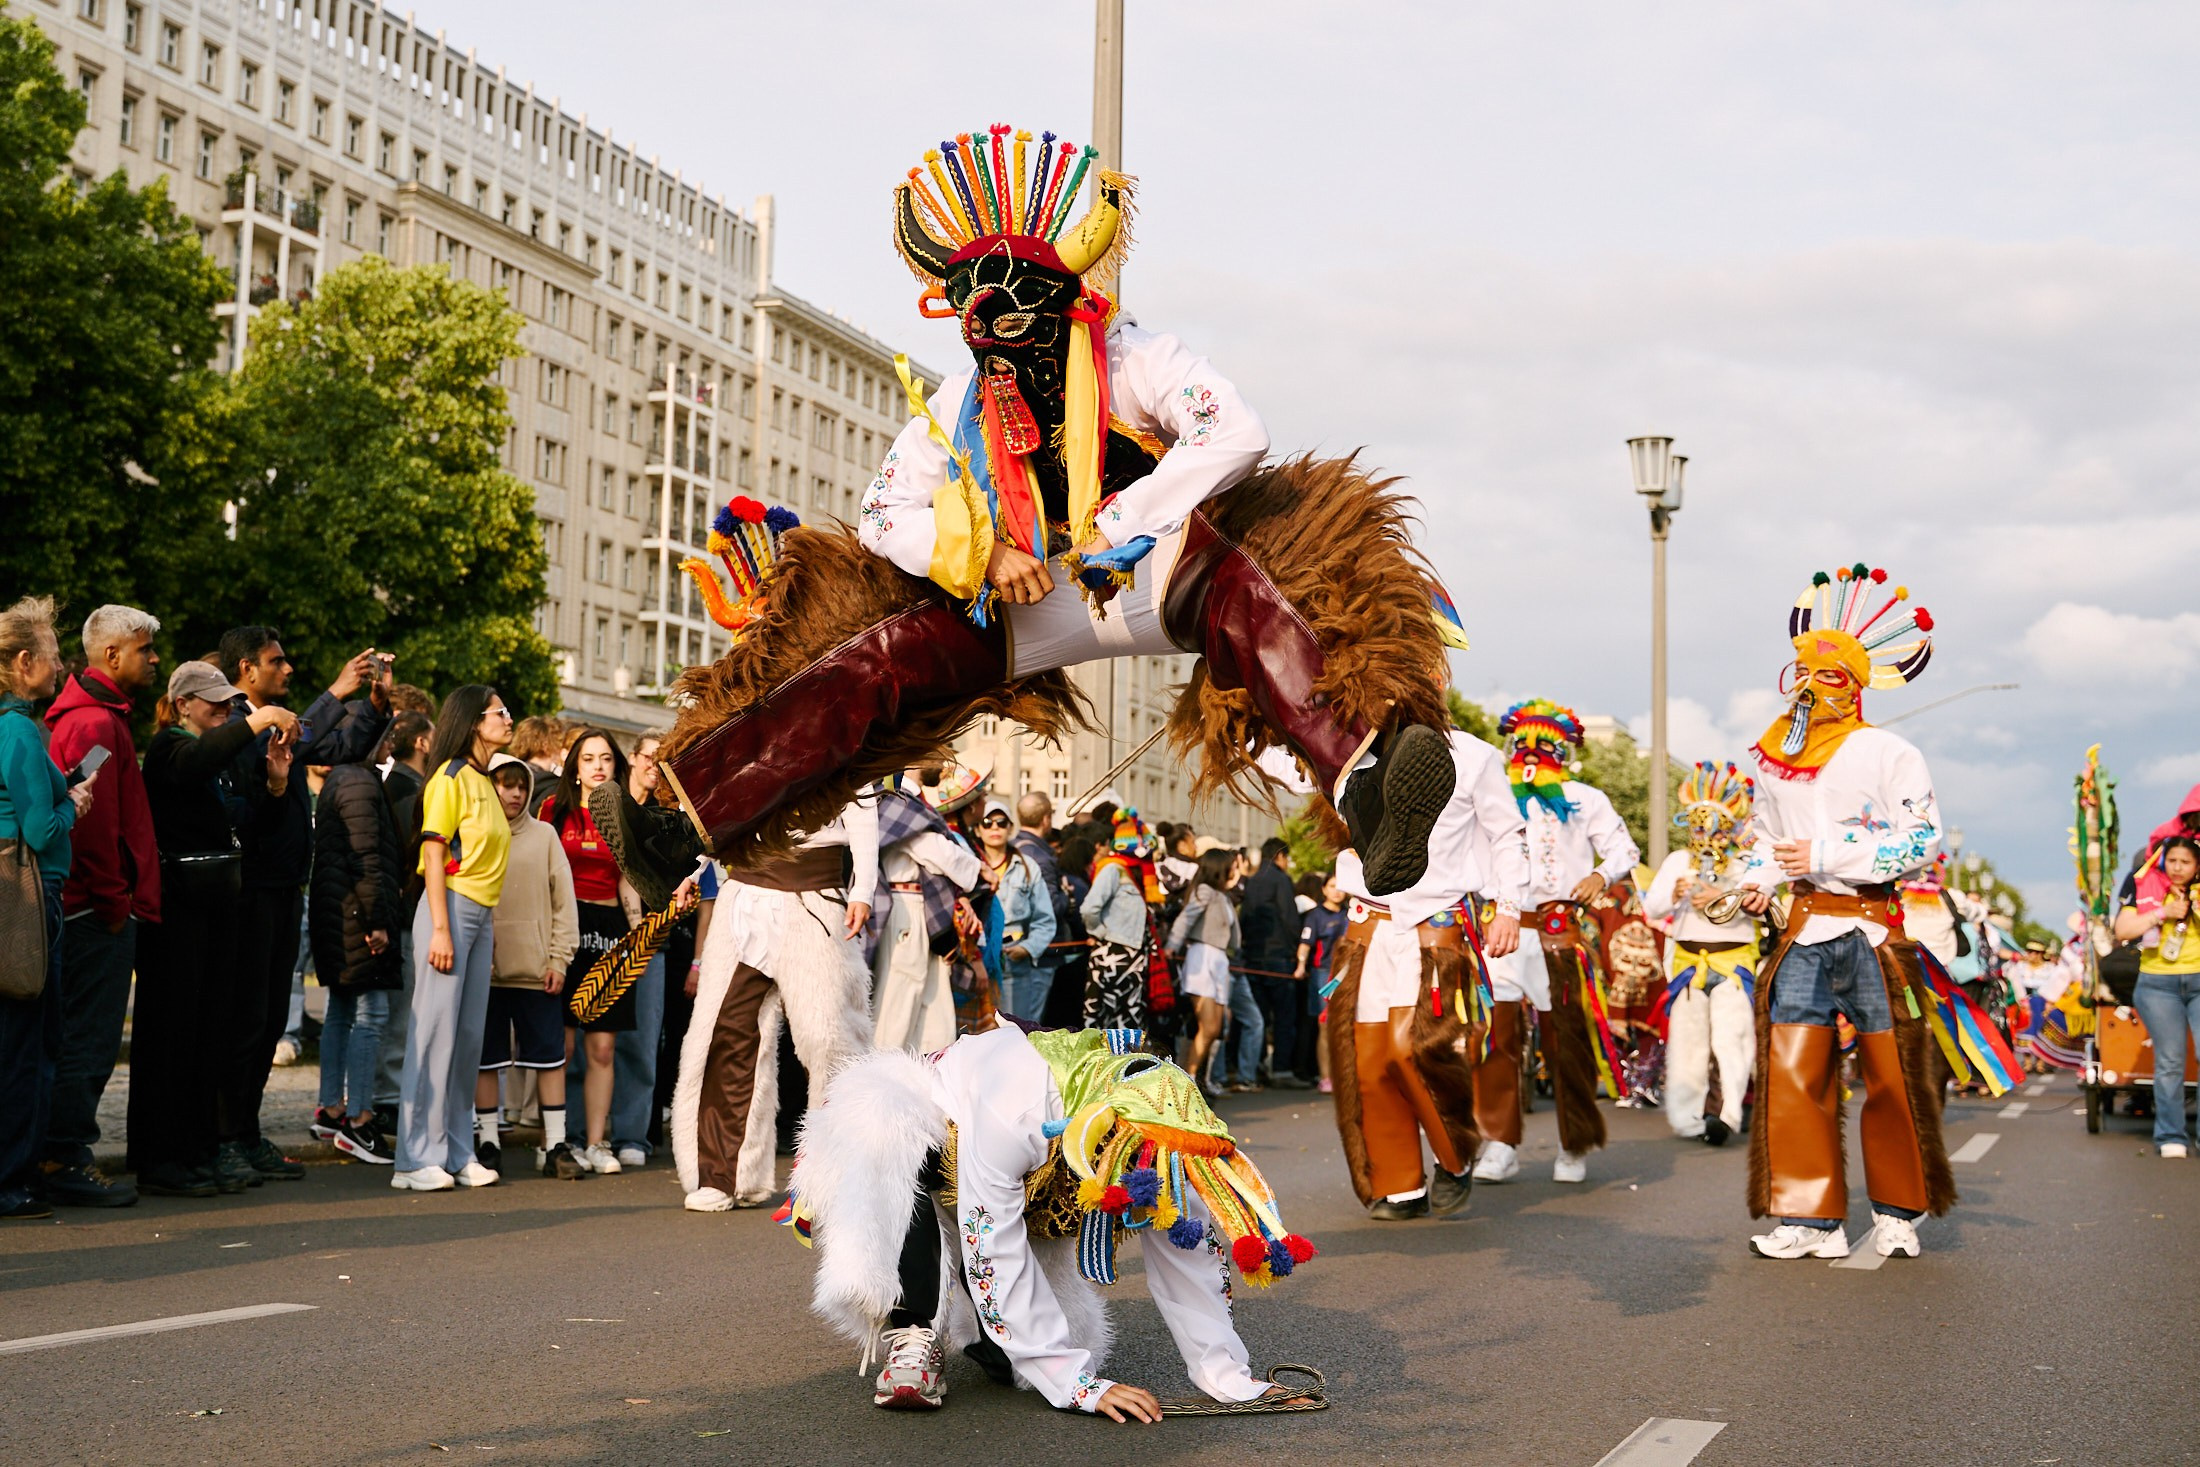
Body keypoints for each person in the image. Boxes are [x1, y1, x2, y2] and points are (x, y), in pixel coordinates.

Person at [656, 125, 1461, 923]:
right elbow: (879, 513)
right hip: (1023, 610)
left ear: (1069, 307)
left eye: (1021, 331)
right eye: (983, 338)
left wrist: (1126, 517)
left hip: (1169, 571)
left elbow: (1238, 431)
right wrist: (979, 557)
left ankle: (1370, 786)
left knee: (1267, 577)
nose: (1005, 363)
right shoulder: (959, 402)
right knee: (876, 651)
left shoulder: (1134, 356)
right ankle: (684, 818)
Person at [784, 1024, 1317, 1416]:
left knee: (1008, 1362)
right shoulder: (1014, 1112)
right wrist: (1078, 1385)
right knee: (885, 1132)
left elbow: (1189, 1251)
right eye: (1128, 1163)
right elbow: (990, 1238)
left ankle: (987, 1334)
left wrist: (1228, 1377)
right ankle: (914, 1329)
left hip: (1041, 1172)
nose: (1142, 1174)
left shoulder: (1161, 1133)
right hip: (925, 1119)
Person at [1740, 564, 2007, 1260]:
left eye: (1825, 676)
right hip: (1802, 930)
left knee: (1892, 1070)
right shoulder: (1773, 762)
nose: (1807, 686)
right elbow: (1765, 841)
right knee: (1796, 1068)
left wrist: (1827, 849)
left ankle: (1896, 1213)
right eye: (1799, 671)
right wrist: (1753, 880)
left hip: (1872, 929)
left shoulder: (1891, 751)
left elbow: (1924, 839)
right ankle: (1810, 1217)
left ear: (1855, 686)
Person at [1329, 719, 1528, 1219]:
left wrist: (1508, 906)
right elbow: (1279, 764)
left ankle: (1457, 1155)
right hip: (1368, 926)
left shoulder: (1474, 754)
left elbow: (1507, 832)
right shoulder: (1341, 747)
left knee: (1412, 1049)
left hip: (1432, 925)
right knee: (1368, 1061)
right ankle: (1400, 1185)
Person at [215, 625, 391, 1183]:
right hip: (252, 894)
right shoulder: (236, 724)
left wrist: (374, 705)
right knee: (245, 1022)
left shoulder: (283, 726)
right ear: (246, 669)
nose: (288, 670)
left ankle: (245, 1132)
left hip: (286, 890)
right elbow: (306, 730)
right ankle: (225, 1138)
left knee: (268, 1023)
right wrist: (339, 691)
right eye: (277, 661)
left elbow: (342, 745)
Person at [134, 661, 295, 1196]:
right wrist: (258, 719)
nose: (225, 709)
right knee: (173, 1033)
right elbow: (192, 764)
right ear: (182, 703)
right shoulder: (169, 747)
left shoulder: (217, 757)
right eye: (214, 701)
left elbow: (246, 824)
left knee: (209, 1031)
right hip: (178, 913)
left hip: (217, 909)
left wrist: (274, 785)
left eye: (230, 701)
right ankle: (163, 1156)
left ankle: (199, 1147)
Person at [670, 797, 877, 1212]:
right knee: (725, 1031)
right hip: (743, 896)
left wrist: (863, 889)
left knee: (830, 1042)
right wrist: (695, 868)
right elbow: (720, 801)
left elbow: (862, 810)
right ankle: (724, 1175)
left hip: (817, 898)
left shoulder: (842, 738)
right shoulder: (743, 731)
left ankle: (840, 1173)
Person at [1475, 700, 1640, 1186]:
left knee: (1566, 1038)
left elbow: (1624, 850)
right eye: (1521, 744)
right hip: (1503, 927)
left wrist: (1599, 874)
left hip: (1559, 930)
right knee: (1497, 1036)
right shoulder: (1496, 796)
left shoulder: (1586, 799)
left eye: (1541, 745)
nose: (1529, 754)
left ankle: (1574, 1144)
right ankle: (1499, 1143)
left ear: (1562, 752)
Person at [41, 604, 162, 1207]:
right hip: (96, 911)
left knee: (81, 1039)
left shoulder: (96, 717)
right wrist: (117, 903)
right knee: (88, 1042)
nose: (155, 659)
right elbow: (91, 827)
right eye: (144, 649)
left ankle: (59, 1151)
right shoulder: (93, 724)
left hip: (93, 907)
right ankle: (64, 1155)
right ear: (112, 655)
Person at [392, 686, 513, 1192]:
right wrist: (440, 928)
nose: (509, 718)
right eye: (498, 712)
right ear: (471, 722)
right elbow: (434, 853)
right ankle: (414, 1157)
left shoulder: (483, 780)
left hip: (479, 917)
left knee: (466, 1043)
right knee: (434, 1036)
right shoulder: (449, 777)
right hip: (450, 911)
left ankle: (457, 1150)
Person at [0, 597, 95, 1219]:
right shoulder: (19, 730)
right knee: (26, 1049)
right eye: (56, 656)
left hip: (18, 898)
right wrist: (75, 804)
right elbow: (39, 827)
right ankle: (13, 1179)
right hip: (32, 902)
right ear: (25, 661)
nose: (62, 667)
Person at [1641, 762, 1773, 1147]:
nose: (1705, 833)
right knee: (1687, 1042)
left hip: (1733, 964)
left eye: (1713, 825)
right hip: (1687, 965)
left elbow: (1765, 905)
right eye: (1698, 825)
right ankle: (1687, 1118)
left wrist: (1724, 896)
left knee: (1733, 1040)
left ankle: (1729, 1113)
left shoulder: (1746, 864)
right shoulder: (1678, 862)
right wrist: (1675, 894)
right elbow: (1652, 909)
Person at [541, 729, 642, 1175]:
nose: (598, 766)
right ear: (575, 768)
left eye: (605, 758)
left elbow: (627, 880)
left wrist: (639, 933)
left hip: (610, 932)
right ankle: (558, 1141)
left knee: (602, 1048)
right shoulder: (553, 810)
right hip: (562, 928)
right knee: (560, 1045)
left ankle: (599, 1143)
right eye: (588, 759)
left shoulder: (626, 816)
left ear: (617, 767)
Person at [479, 753, 582, 1178]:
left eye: (521, 785)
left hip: (538, 971)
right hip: (486, 974)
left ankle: (556, 1145)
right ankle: (486, 1143)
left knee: (548, 1059)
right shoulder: (477, 833)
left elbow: (565, 904)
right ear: (491, 787)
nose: (516, 793)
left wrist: (559, 957)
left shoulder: (545, 837)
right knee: (486, 1061)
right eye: (506, 784)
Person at [308, 745, 406, 1166]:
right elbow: (367, 858)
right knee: (372, 1015)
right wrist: (377, 921)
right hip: (358, 916)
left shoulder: (340, 779)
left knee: (342, 1010)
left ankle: (332, 1110)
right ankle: (359, 1119)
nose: (390, 741)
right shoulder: (360, 782)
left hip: (340, 913)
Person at [872, 771, 983, 1054]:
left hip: (925, 913)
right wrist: (980, 870)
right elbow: (932, 851)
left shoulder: (914, 803)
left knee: (937, 1019)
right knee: (896, 1015)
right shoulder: (897, 801)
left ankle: (928, 1089)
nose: (946, 765)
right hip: (905, 912)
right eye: (939, 752)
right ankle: (876, 1090)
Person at [2113, 834, 2200, 1157]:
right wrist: (2162, 913)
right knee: (2170, 1061)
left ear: (2197, 865)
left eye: (2185, 862)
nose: (2178, 868)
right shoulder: (2145, 885)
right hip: (2158, 983)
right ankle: (2170, 1136)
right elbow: (2123, 930)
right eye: (2172, 860)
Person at [608, 728, 672, 1167]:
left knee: (642, 1042)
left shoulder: (669, 817)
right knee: (593, 1042)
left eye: (661, 760)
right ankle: (582, 1134)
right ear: (632, 758)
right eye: (648, 757)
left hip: (653, 940)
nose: (653, 766)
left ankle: (632, 1135)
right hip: (599, 934)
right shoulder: (605, 805)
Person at [373, 709, 434, 1135]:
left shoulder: (399, 785)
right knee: (402, 1012)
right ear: (423, 743)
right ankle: (389, 1098)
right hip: (408, 912)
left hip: (408, 910)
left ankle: (393, 1095)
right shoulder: (406, 789)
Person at [1166, 848, 1243, 1096]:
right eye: (1231, 866)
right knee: (1208, 1026)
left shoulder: (1223, 895)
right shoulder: (1205, 891)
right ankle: (1188, 1081)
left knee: (1217, 1026)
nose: (1235, 870)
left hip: (1220, 960)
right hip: (1203, 958)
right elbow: (1185, 920)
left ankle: (1198, 1078)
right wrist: (1170, 947)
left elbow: (1234, 937)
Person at [975, 798, 1057, 1021]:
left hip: (1014, 961)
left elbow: (1045, 920)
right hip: (976, 961)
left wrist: (1027, 948)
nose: (995, 828)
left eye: (1001, 822)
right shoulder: (969, 864)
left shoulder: (1027, 866)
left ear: (1010, 827)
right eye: (987, 822)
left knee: (1015, 1031)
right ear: (977, 828)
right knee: (975, 1036)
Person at [1081, 810, 1161, 1030]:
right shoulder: (1113, 869)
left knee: (1128, 1024)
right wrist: (1100, 933)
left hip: (1133, 958)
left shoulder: (1140, 874)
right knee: (1100, 1024)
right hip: (1111, 956)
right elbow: (1089, 908)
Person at [1239, 837, 1305, 1087]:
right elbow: (1289, 918)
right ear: (1279, 856)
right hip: (1278, 956)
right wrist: (1295, 947)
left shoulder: (1253, 880)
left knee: (1258, 1016)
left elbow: (1244, 916)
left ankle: (1254, 1067)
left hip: (1254, 957)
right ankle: (1281, 1069)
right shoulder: (1281, 880)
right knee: (1284, 1016)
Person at [1295, 872, 1349, 1093]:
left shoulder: (1351, 914)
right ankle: (1326, 1077)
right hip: (1323, 974)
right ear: (1324, 889)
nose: (1336, 890)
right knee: (1324, 1025)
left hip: (1347, 973)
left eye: (1340, 885)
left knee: (1344, 1026)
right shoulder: (1315, 915)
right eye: (1332, 886)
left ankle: (1345, 1075)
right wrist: (1300, 966)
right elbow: (1305, 945)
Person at [508, 715, 569, 811]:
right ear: (546, 745)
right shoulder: (554, 785)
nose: (561, 748)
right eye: (560, 742)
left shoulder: (508, 773)